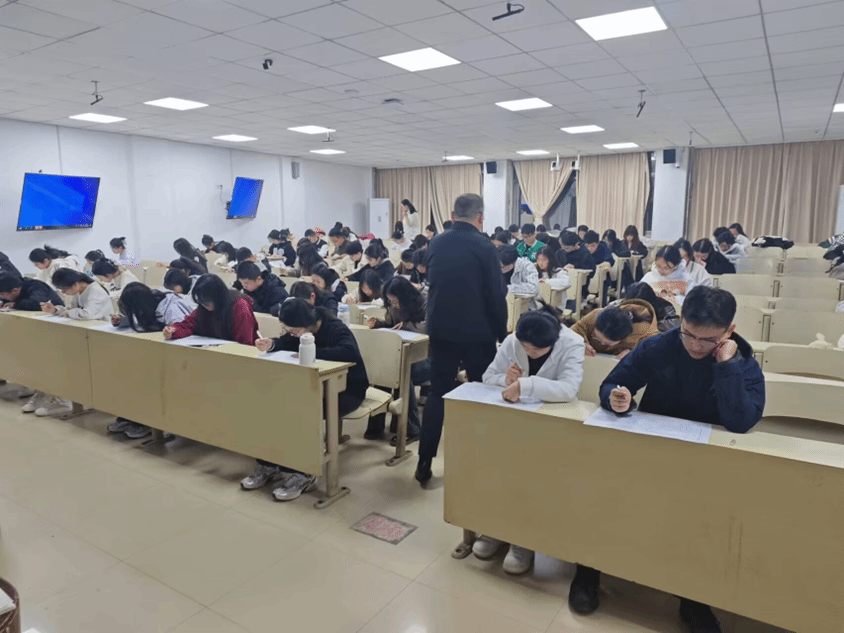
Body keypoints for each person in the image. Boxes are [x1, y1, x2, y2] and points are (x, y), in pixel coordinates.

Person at [574, 286, 765, 633]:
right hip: (650, 446)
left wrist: (726, 366)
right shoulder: (659, 345)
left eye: (707, 340)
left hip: (703, 459)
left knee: (699, 525)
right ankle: (588, 570)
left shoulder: (743, 361)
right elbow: (614, 383)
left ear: (729, 331)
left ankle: (693, 599)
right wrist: (618, 398)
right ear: (681, 322)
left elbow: (741, 421)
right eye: (688, 333)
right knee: (605, 494)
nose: (695, 346)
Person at [475, 306, 585, 573]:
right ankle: (494, 529)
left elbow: (569, 389)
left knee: (531, 481)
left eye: (537, 350)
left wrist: (525, 385)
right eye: (525, 347)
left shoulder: (572, 343)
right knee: (498, 476)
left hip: (549, 426)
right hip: (510, 424)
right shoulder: (514, 340)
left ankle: (522, 541)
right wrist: (505, 379)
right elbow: (488, 377)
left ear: (554, 341)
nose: (530, 352)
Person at [417, 193, 508, 484]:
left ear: (453, 215)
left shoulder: (437, 242)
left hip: (440, 329)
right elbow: (497, 294)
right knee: (483, 391)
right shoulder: (485, 246)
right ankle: (481, 458)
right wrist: (502, 333)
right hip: (477, 333)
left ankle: (424, 462)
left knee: (438, 394)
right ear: (480, 217)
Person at [246, 298, 369, 500]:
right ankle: (269, 464)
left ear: (306, 322)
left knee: (300, 410)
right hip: (313, 388)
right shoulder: (300, 330)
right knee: (270, 405)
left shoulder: (334, 327)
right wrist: (272, 343)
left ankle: (305, 473)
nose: (293, 334)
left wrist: (310, 352)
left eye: (294, 330)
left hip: (347, 391)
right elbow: (289, 342)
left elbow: (349, 352)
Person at [108, 282, 194, 439]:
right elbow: (140, 321)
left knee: (148, 382)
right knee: (130, 376)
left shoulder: (170, 307)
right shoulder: (146, 304)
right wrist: (122, 321)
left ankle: (146, 421)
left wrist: (171, 332)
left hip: (175, 358)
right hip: (152, 353)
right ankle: (131, 415)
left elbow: (184, 331)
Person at [366, 276, 429, 444]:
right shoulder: (393, 306)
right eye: (390, 301)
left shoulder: (426, 300)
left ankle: (412, 429)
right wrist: (379, 324)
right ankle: (376, 426)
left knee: (402, 372)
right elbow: (391, 325)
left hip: (428, 358)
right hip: (402, 354)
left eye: (396, 301)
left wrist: (407, 324)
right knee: (385, 368)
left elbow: (428, 328)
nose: (394, 305)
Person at [163, 275, 259, 346]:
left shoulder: (239, 307)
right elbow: (189, 324)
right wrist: (173, 332)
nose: (205, 305)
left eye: (207, 301)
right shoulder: (204, 307)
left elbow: (244, 344)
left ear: (218, 296)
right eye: (202, 302)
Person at [571, 300, 658, 359]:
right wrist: (581, 344)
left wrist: (635, 354)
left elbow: (655, 355)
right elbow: (571, 334)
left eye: (607, 343)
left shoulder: (646, 332)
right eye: (598, 338)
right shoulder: (594, 316)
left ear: (623, 338)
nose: (602, 344)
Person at [536, 246, 571, 310]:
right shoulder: (534, 270)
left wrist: (547, 282)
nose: (540, 263)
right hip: (537, 305)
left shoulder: (558, 271)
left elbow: (567, 282)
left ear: (550, 260)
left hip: (556, 306)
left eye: (544, 260)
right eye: (538, 260)